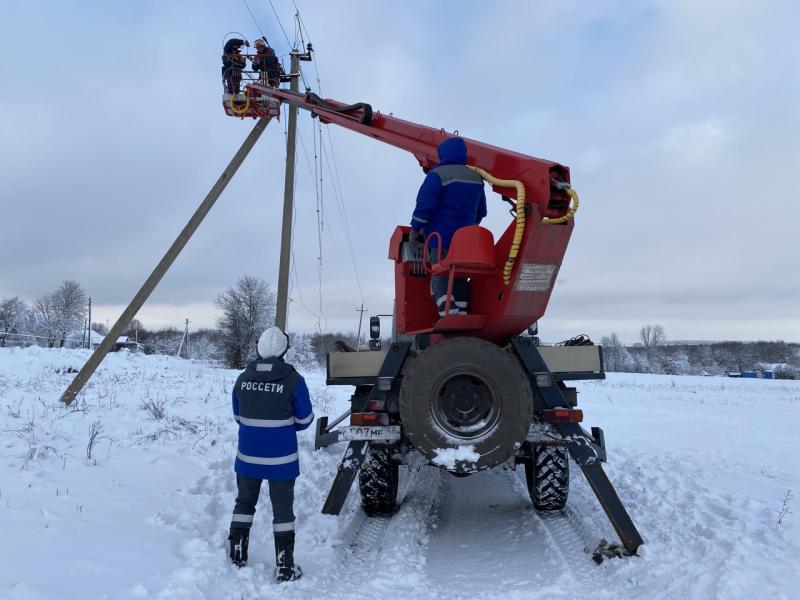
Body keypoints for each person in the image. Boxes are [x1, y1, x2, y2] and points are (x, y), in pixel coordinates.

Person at [228, 326, 314, 582]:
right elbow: (305, 419)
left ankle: (237, 556)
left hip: (248, 459)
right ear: (283, 350)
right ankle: (285, 567)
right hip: (282, 462)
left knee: (244, 504)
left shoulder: (243, 378)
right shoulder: (294, 380)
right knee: (283, 510)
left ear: (258, 349)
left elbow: (238, 416)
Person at [410, 137, 487, 316]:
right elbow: (481, 211)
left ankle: (447, 314)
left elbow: (424, 206)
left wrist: (415, 230)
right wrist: (469, 228)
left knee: (440, 273)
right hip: (465, 243)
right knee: (459, 275)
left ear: (442, 154)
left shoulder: (437, 175)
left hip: (440, 239)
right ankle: (461, 313)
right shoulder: (476, 178)